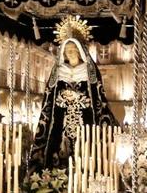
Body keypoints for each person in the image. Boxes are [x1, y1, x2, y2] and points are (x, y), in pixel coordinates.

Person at [28, 15, 117, 174]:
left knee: (85, 150)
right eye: (67, 50)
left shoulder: (89, 71)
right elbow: (49, 98)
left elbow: (98, 99)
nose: (70, 53)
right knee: (59, 151)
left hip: (86, 121)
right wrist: (62, 99)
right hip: (60, 121)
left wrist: (79, 98)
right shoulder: (58, 71)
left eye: (72, 50)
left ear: (79, 50)